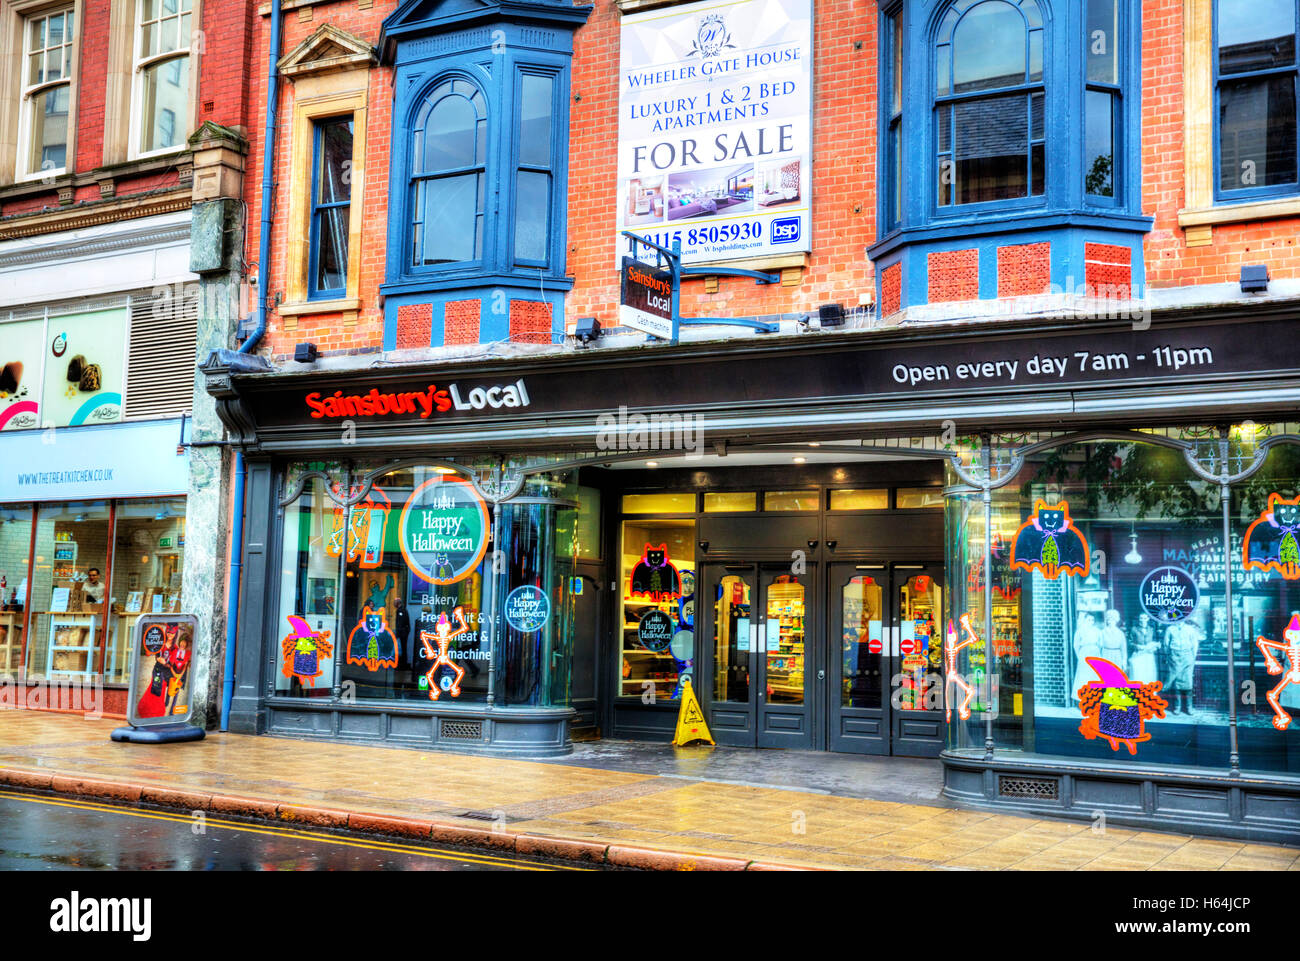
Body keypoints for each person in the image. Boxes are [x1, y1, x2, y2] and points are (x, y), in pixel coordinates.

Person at [1071, 612, 1103, 702]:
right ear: (1085, 620)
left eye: (1092, 620)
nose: (1091, 622)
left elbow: (1101, 644)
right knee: (1083, 676)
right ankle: (1082, 698)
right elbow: (1076, 645)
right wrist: (1080, 656)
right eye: (1089, 619)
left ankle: (1094, 698)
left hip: (1095, 652)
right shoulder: (1080, 630)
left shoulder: (1097, 630)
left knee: (1094, 675)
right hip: (1084, 652)